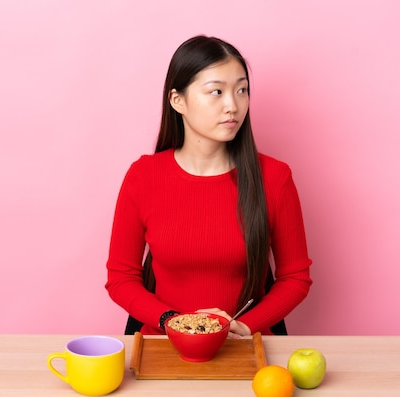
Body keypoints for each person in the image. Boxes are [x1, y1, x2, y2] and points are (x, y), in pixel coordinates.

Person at [105, 35, 312, 338]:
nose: (233, 105)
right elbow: (121, 278)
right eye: (216, 91)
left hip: (245, 347)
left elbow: (296, 278)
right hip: (162, 347)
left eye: (242, 90)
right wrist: (174, 323)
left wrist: (244, 325)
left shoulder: (275, 178)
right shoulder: (143, 176)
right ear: (178, 101)